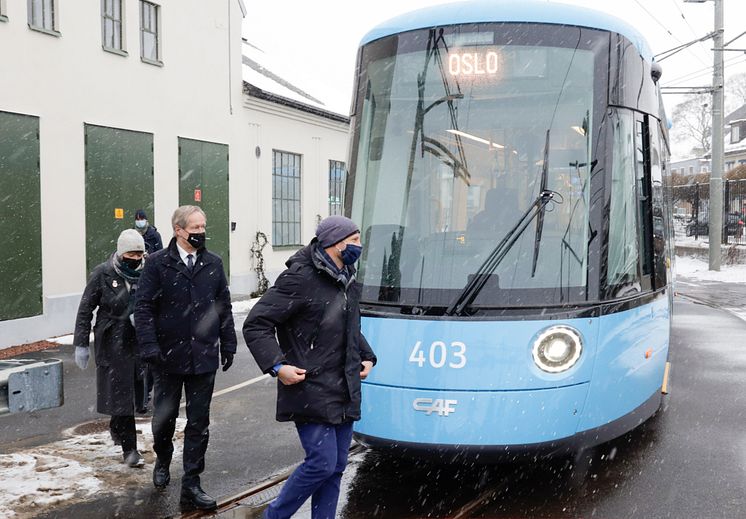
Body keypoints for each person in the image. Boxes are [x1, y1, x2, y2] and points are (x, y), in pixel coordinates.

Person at [243, 215, 377, 519]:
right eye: (354, 240)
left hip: (344, 386)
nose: (359, 246)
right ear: (334, 243)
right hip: (309, 385)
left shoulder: (347, 276)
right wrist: (278, 366)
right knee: (321, 463)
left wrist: (367, 356)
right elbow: (256, 324)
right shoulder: (300, 278)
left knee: (336, 467)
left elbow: (350, 326)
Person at [134, 205, 236, 511]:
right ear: (179, 230)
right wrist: (150, 347)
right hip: (167, 357)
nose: (201, 232)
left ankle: (192, 482)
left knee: (198, 422)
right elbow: (143, 309)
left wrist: (228, 344)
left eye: (203, 226)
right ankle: (163, 457)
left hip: (202, 356)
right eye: (195, 227)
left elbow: (224, 307)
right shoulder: (156, 264)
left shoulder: (214, 263)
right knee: (163, 420)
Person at [73, 229, 148, 468]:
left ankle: (117, 426)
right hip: (113, 339)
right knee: (121, 392)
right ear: (121, 252)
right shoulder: (103, 273)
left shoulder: (148, 273)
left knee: (134, 391)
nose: (135, 259)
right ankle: (130, 449)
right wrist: (81, 343)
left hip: (138, 340)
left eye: (139, 254)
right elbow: (86, 309)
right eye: (131, 254)